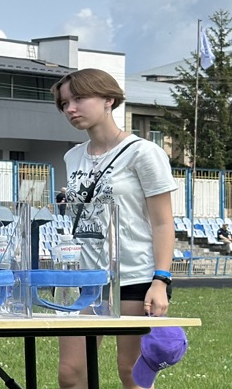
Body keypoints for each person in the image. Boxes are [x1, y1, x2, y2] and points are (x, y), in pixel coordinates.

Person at [51, 68, 176, 389]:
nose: (70, 109)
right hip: (87, 278)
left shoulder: (143, 153)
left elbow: (163, 221)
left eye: (79, 99)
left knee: (131, 372)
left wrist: (160, 280)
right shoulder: (72, 156)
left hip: (135, 276)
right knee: (70, 373)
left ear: (109, 99)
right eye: (64, 104)